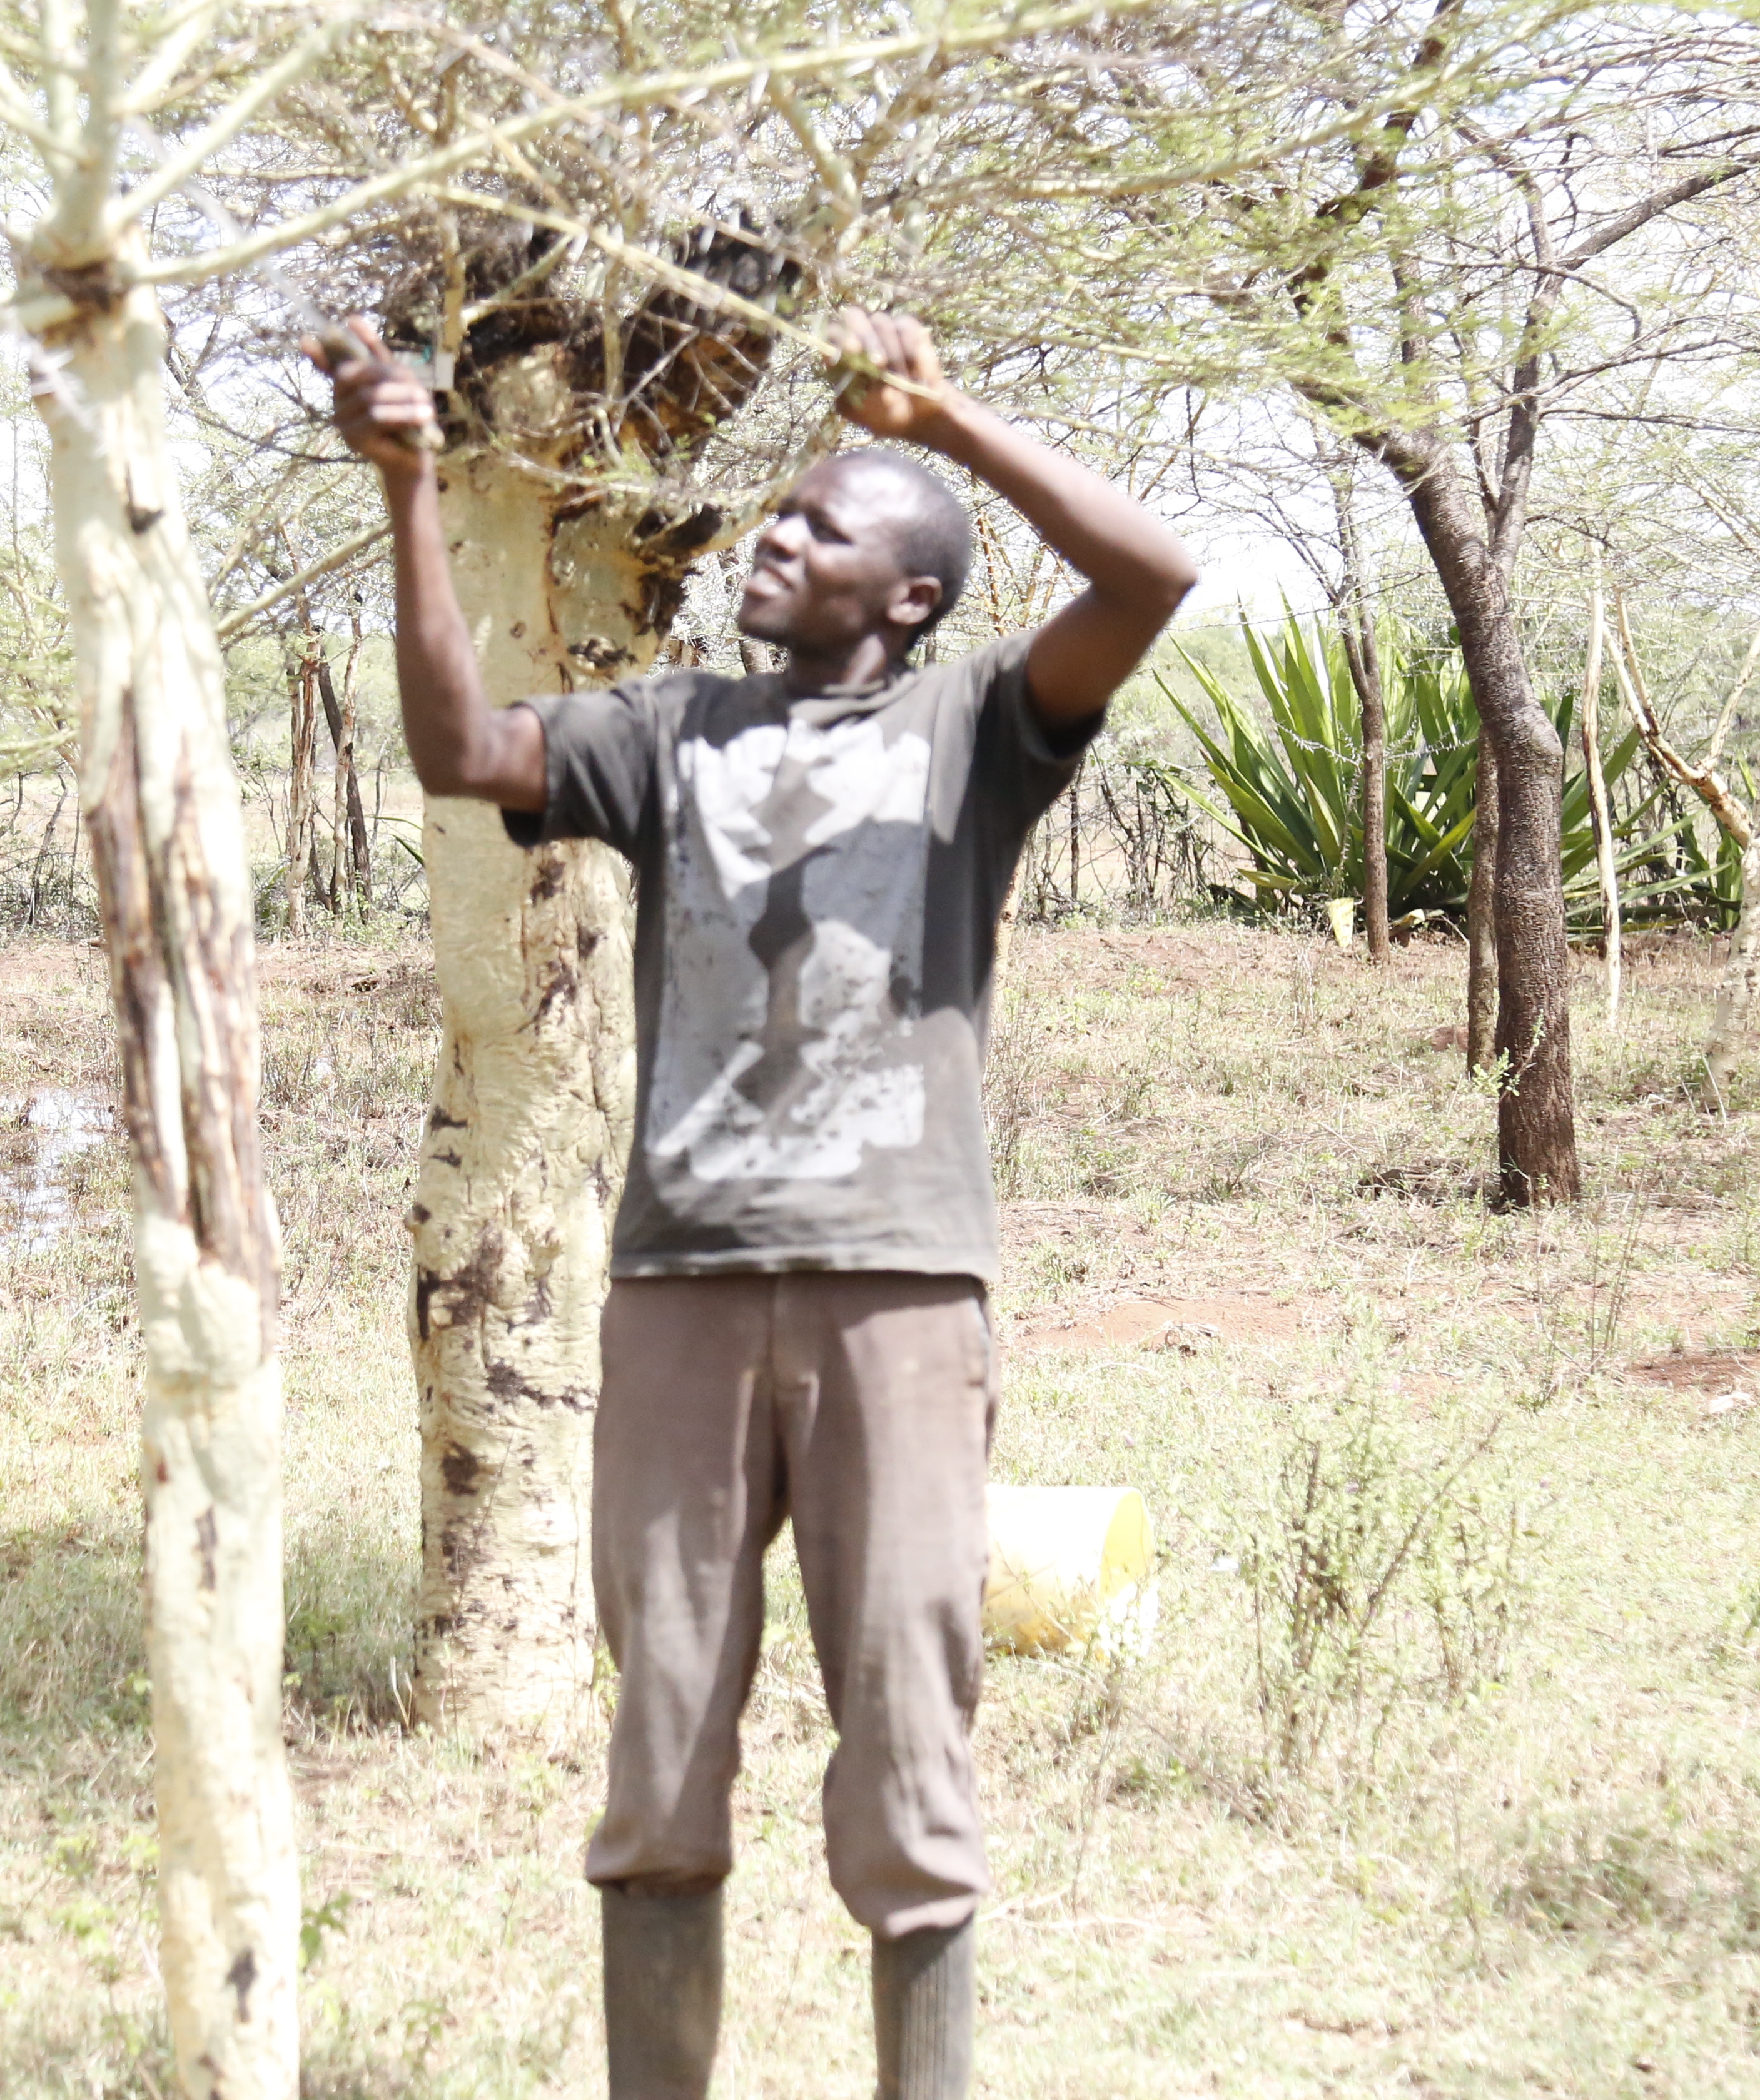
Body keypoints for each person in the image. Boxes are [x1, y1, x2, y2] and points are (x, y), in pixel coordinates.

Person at [311, 304, 1196, 2099]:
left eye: (821, 528)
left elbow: (1155, 576)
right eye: (776, 516)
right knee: (661, 1747)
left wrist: (950, 423)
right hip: (683, 1294)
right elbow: (463, 753)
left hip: (899, 1297)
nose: (771, 542)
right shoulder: (672, 731)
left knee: (910, 1745)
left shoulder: (979, 731)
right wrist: (408, 491)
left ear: (911, 600)